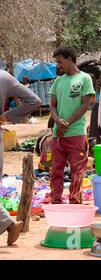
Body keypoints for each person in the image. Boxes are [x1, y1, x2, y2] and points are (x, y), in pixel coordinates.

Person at [49, 46, 95, 205]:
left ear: (69, 59)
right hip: (58, 135)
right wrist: (57, 121)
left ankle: (75, 202)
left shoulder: (84, 79)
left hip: (76, 133)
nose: (58, 66)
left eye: (60, 62)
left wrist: (67, 122)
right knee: (56, 171)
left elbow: (85, 105)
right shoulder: (57, 82)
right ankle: (56, 201)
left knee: (77, 171)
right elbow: (52, 106)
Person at [0, 70, 41, 246]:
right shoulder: (4, 77)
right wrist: (6, 116)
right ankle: (8, 224)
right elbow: (35, 101)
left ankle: (8, 223)